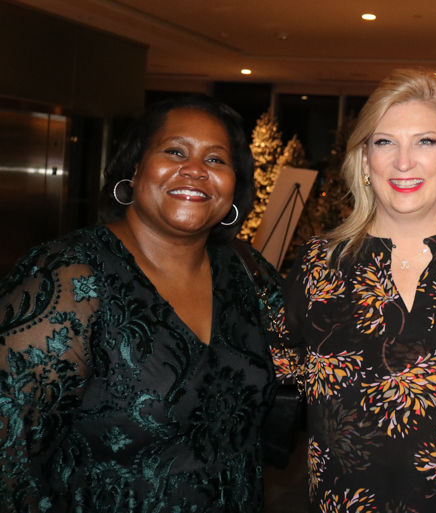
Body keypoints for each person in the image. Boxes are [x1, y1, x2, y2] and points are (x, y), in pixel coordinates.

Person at [0, 95, 282, 511]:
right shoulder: (68, 277)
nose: (196, 170)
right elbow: (11, 456)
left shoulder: (246, 271)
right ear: (134, 168)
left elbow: (327, 353)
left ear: (234, 185)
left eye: (216, 159)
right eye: (175, 151)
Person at [277, 68, 436, 512]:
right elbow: (271, 378)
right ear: (364, 161)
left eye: (425, 142)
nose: (403, 162)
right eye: (384, 142)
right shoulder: (318, 265)